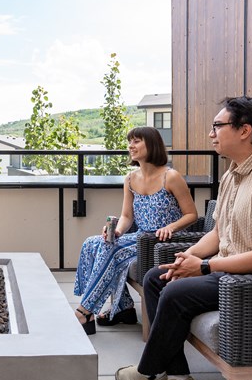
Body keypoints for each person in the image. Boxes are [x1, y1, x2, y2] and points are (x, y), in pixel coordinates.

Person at [114, 96, 252, 380]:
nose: (211, 134)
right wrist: (186, 257)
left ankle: (149, 369)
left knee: (175, 291)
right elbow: (218, 234)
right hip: (233, 272)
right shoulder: (234, 174)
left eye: (217, 126)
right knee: (157, 277)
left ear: (244, 130)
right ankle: (177, 377)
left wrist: (204, 266)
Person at [73, 126, 198, 335]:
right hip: (138, 238)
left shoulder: (171, 177)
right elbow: (127, 216)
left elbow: (191, 214)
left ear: (153, 144)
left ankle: (85, 311)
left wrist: (170, 227)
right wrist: (117, 231)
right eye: (130, 141)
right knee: (93, 243)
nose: (131, 146)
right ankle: (123, 308)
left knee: (110, 250)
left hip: (161, 242)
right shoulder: (130, 179)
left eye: (137, 141)